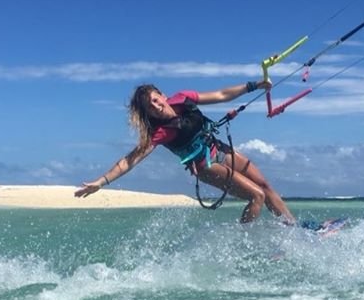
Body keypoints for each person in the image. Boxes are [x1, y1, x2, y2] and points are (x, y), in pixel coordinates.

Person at [74, 81, 296, 224]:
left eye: (155, 100)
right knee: (257, 195)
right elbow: (130, 160)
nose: (156, 106)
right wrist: (101, 182)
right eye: (150, 107)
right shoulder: (160, 132)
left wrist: (254, 85)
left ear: (162, 94)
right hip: (205, 166)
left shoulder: (183, 98)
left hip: (218, 148)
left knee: (265, 186)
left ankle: (293, 230)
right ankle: (243, 244)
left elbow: (221, 94)